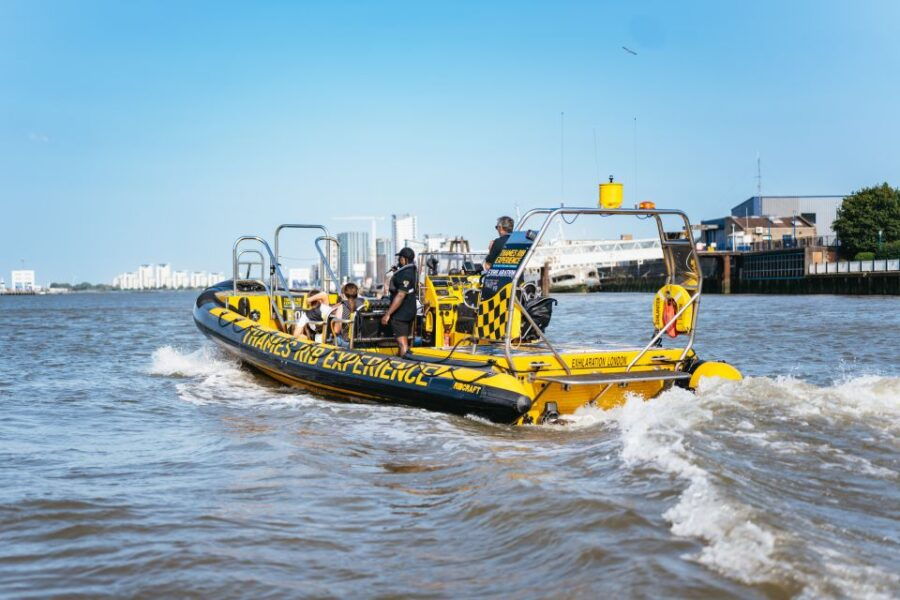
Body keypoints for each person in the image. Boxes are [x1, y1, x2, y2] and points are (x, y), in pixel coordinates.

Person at [381, 247, 417, 357]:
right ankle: (402, 358)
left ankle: (404, 365)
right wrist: (397, 272)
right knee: (405, 339)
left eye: (400, 258)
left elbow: (401, 295)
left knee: (402, 343)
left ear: (404, 259)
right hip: (411, 310)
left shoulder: (405, 274)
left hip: (401, 313)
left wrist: (388, 314)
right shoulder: (412, 270)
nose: (398, 260)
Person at [329, 282, 365, 347]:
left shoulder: (342, 307)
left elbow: (336, 330)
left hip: (347, 342)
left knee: (333, 338)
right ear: (356, 294)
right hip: (362, 341)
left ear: (345, 294)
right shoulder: (363, 305)